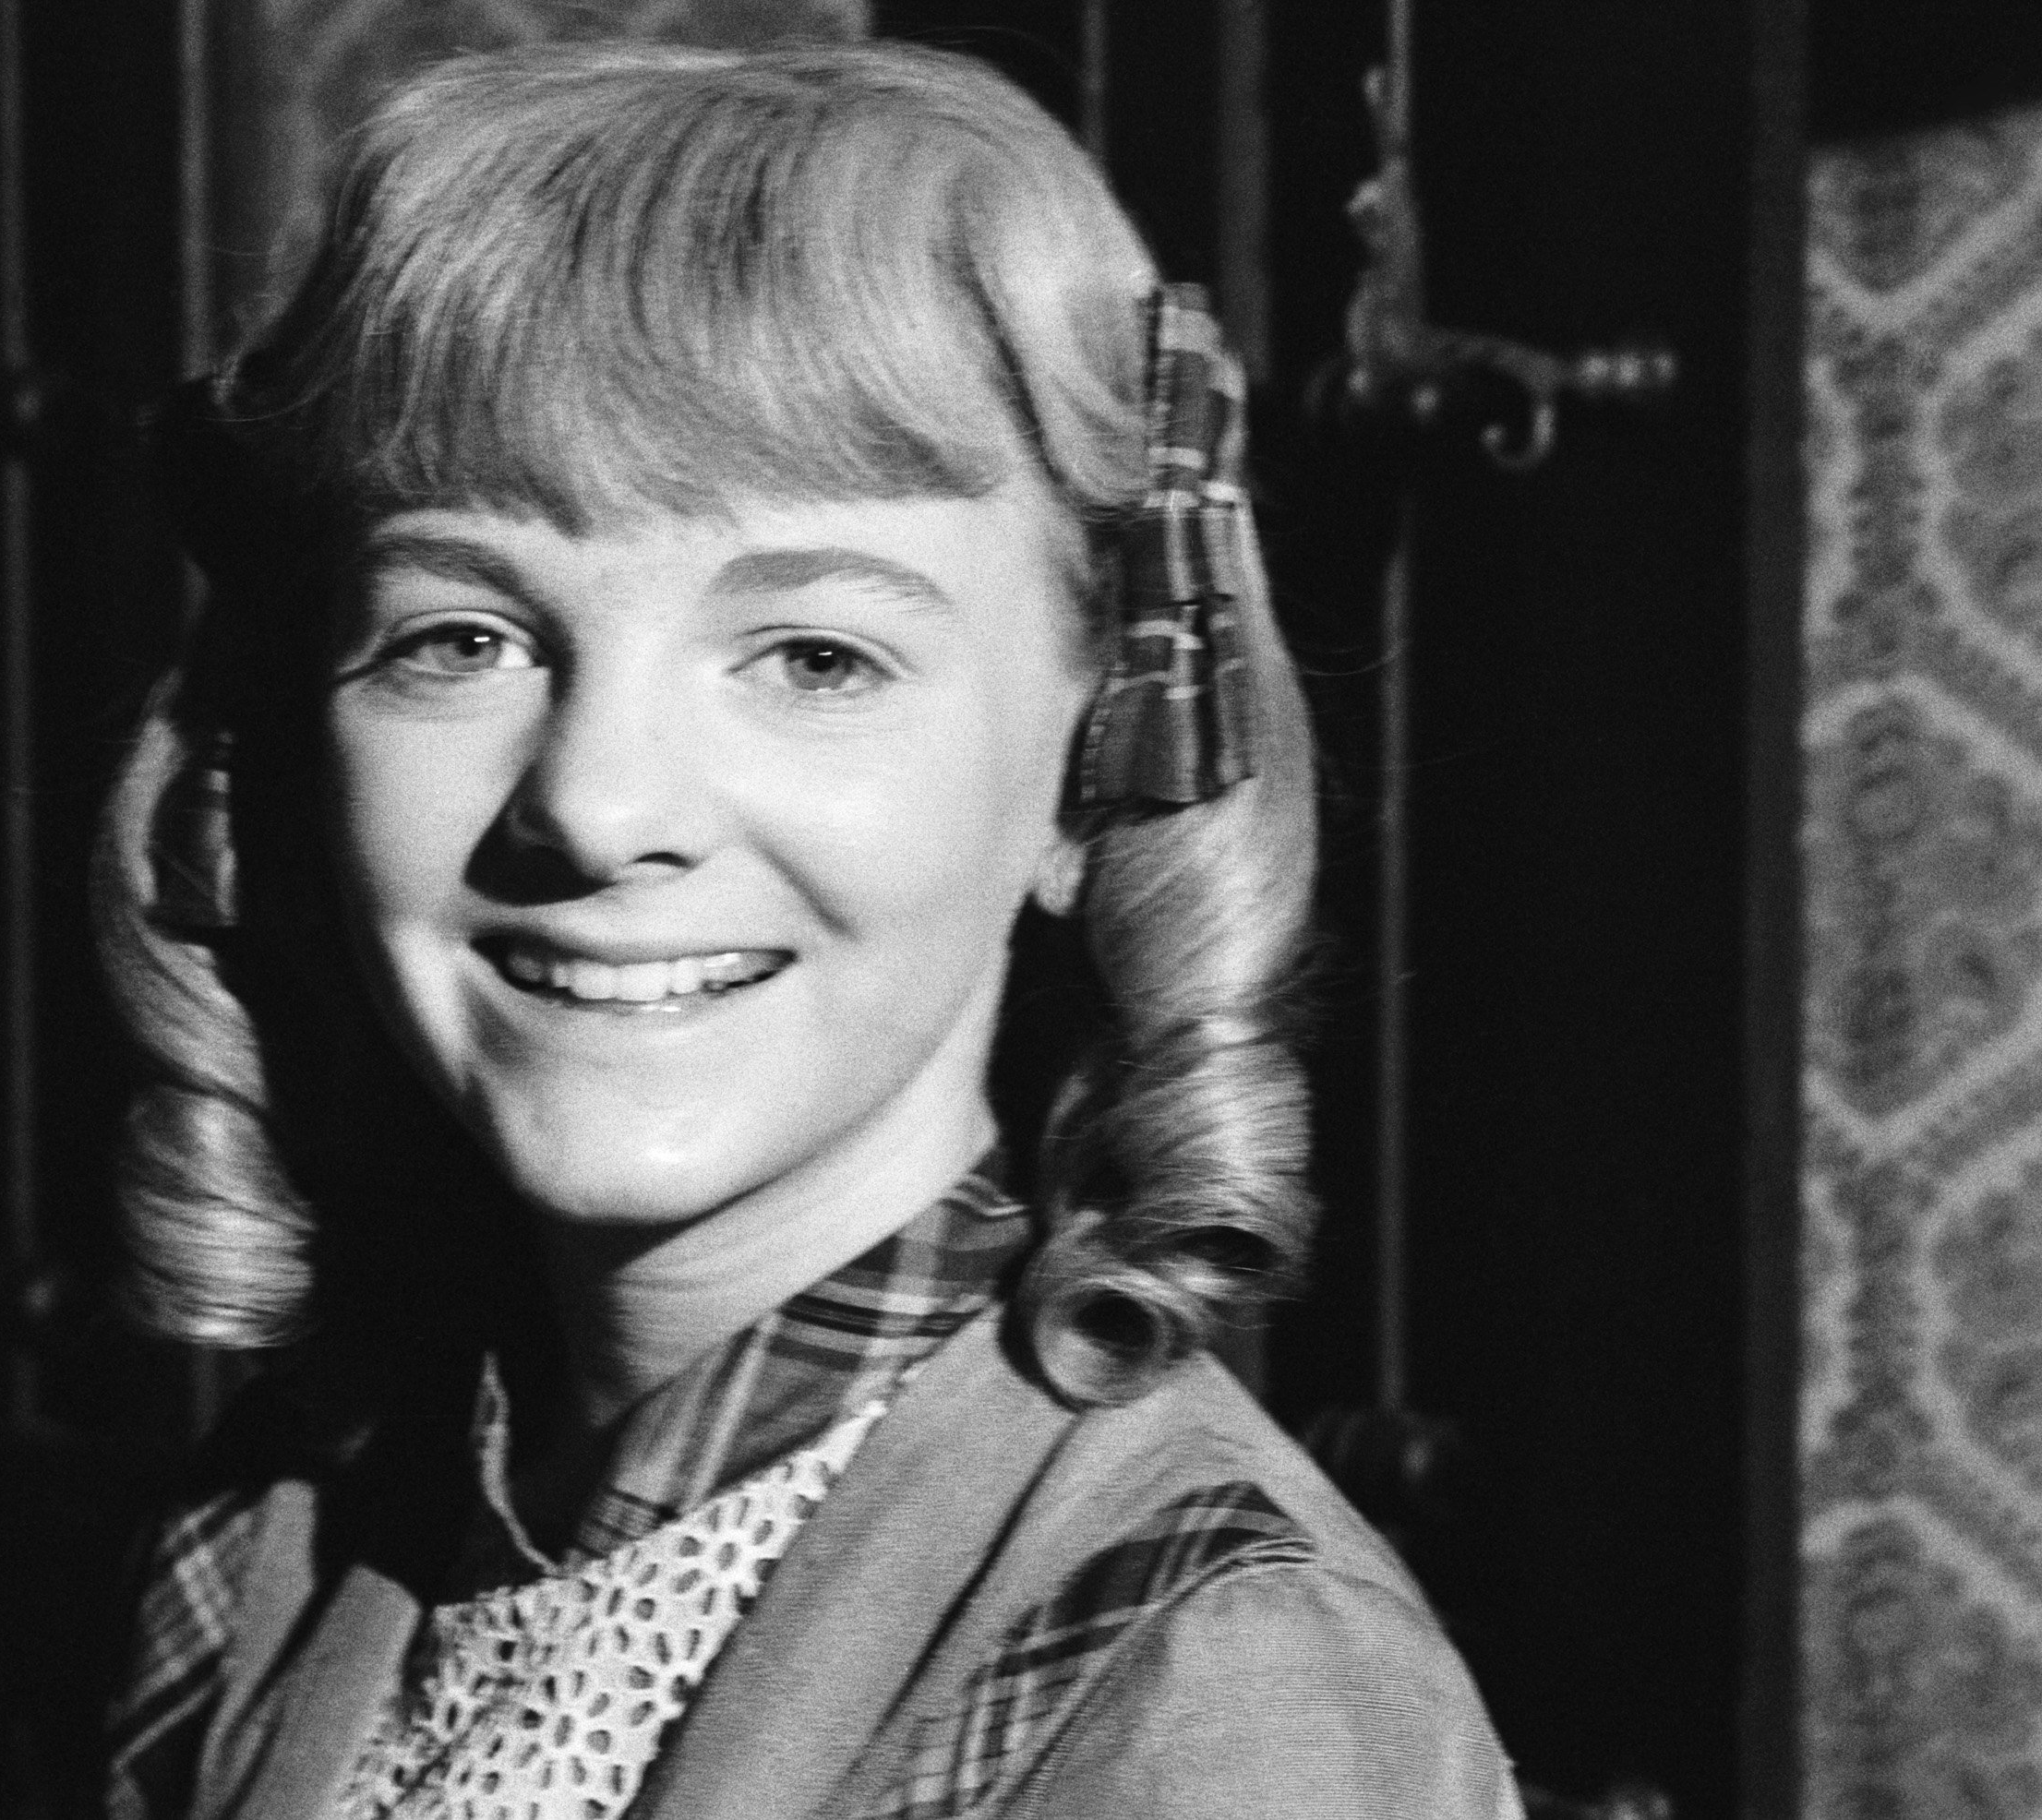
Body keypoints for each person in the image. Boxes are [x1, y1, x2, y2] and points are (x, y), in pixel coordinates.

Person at [99, 40, 1522, 1820]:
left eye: (815, 658)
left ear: (1094, 770)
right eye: (463, 639)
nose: (597, 805)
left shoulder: (1222, 1679)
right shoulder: (281, 1540)